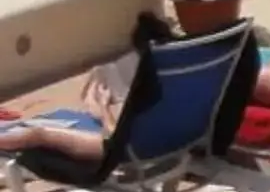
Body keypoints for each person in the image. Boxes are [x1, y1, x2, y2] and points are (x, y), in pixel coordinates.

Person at [0, 13, 169, 169]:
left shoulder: (146, 84)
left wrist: (104, 108)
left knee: (38, 135)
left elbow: (115, 136)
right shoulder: (173, 83)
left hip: (126, 152)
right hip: (165, 145)